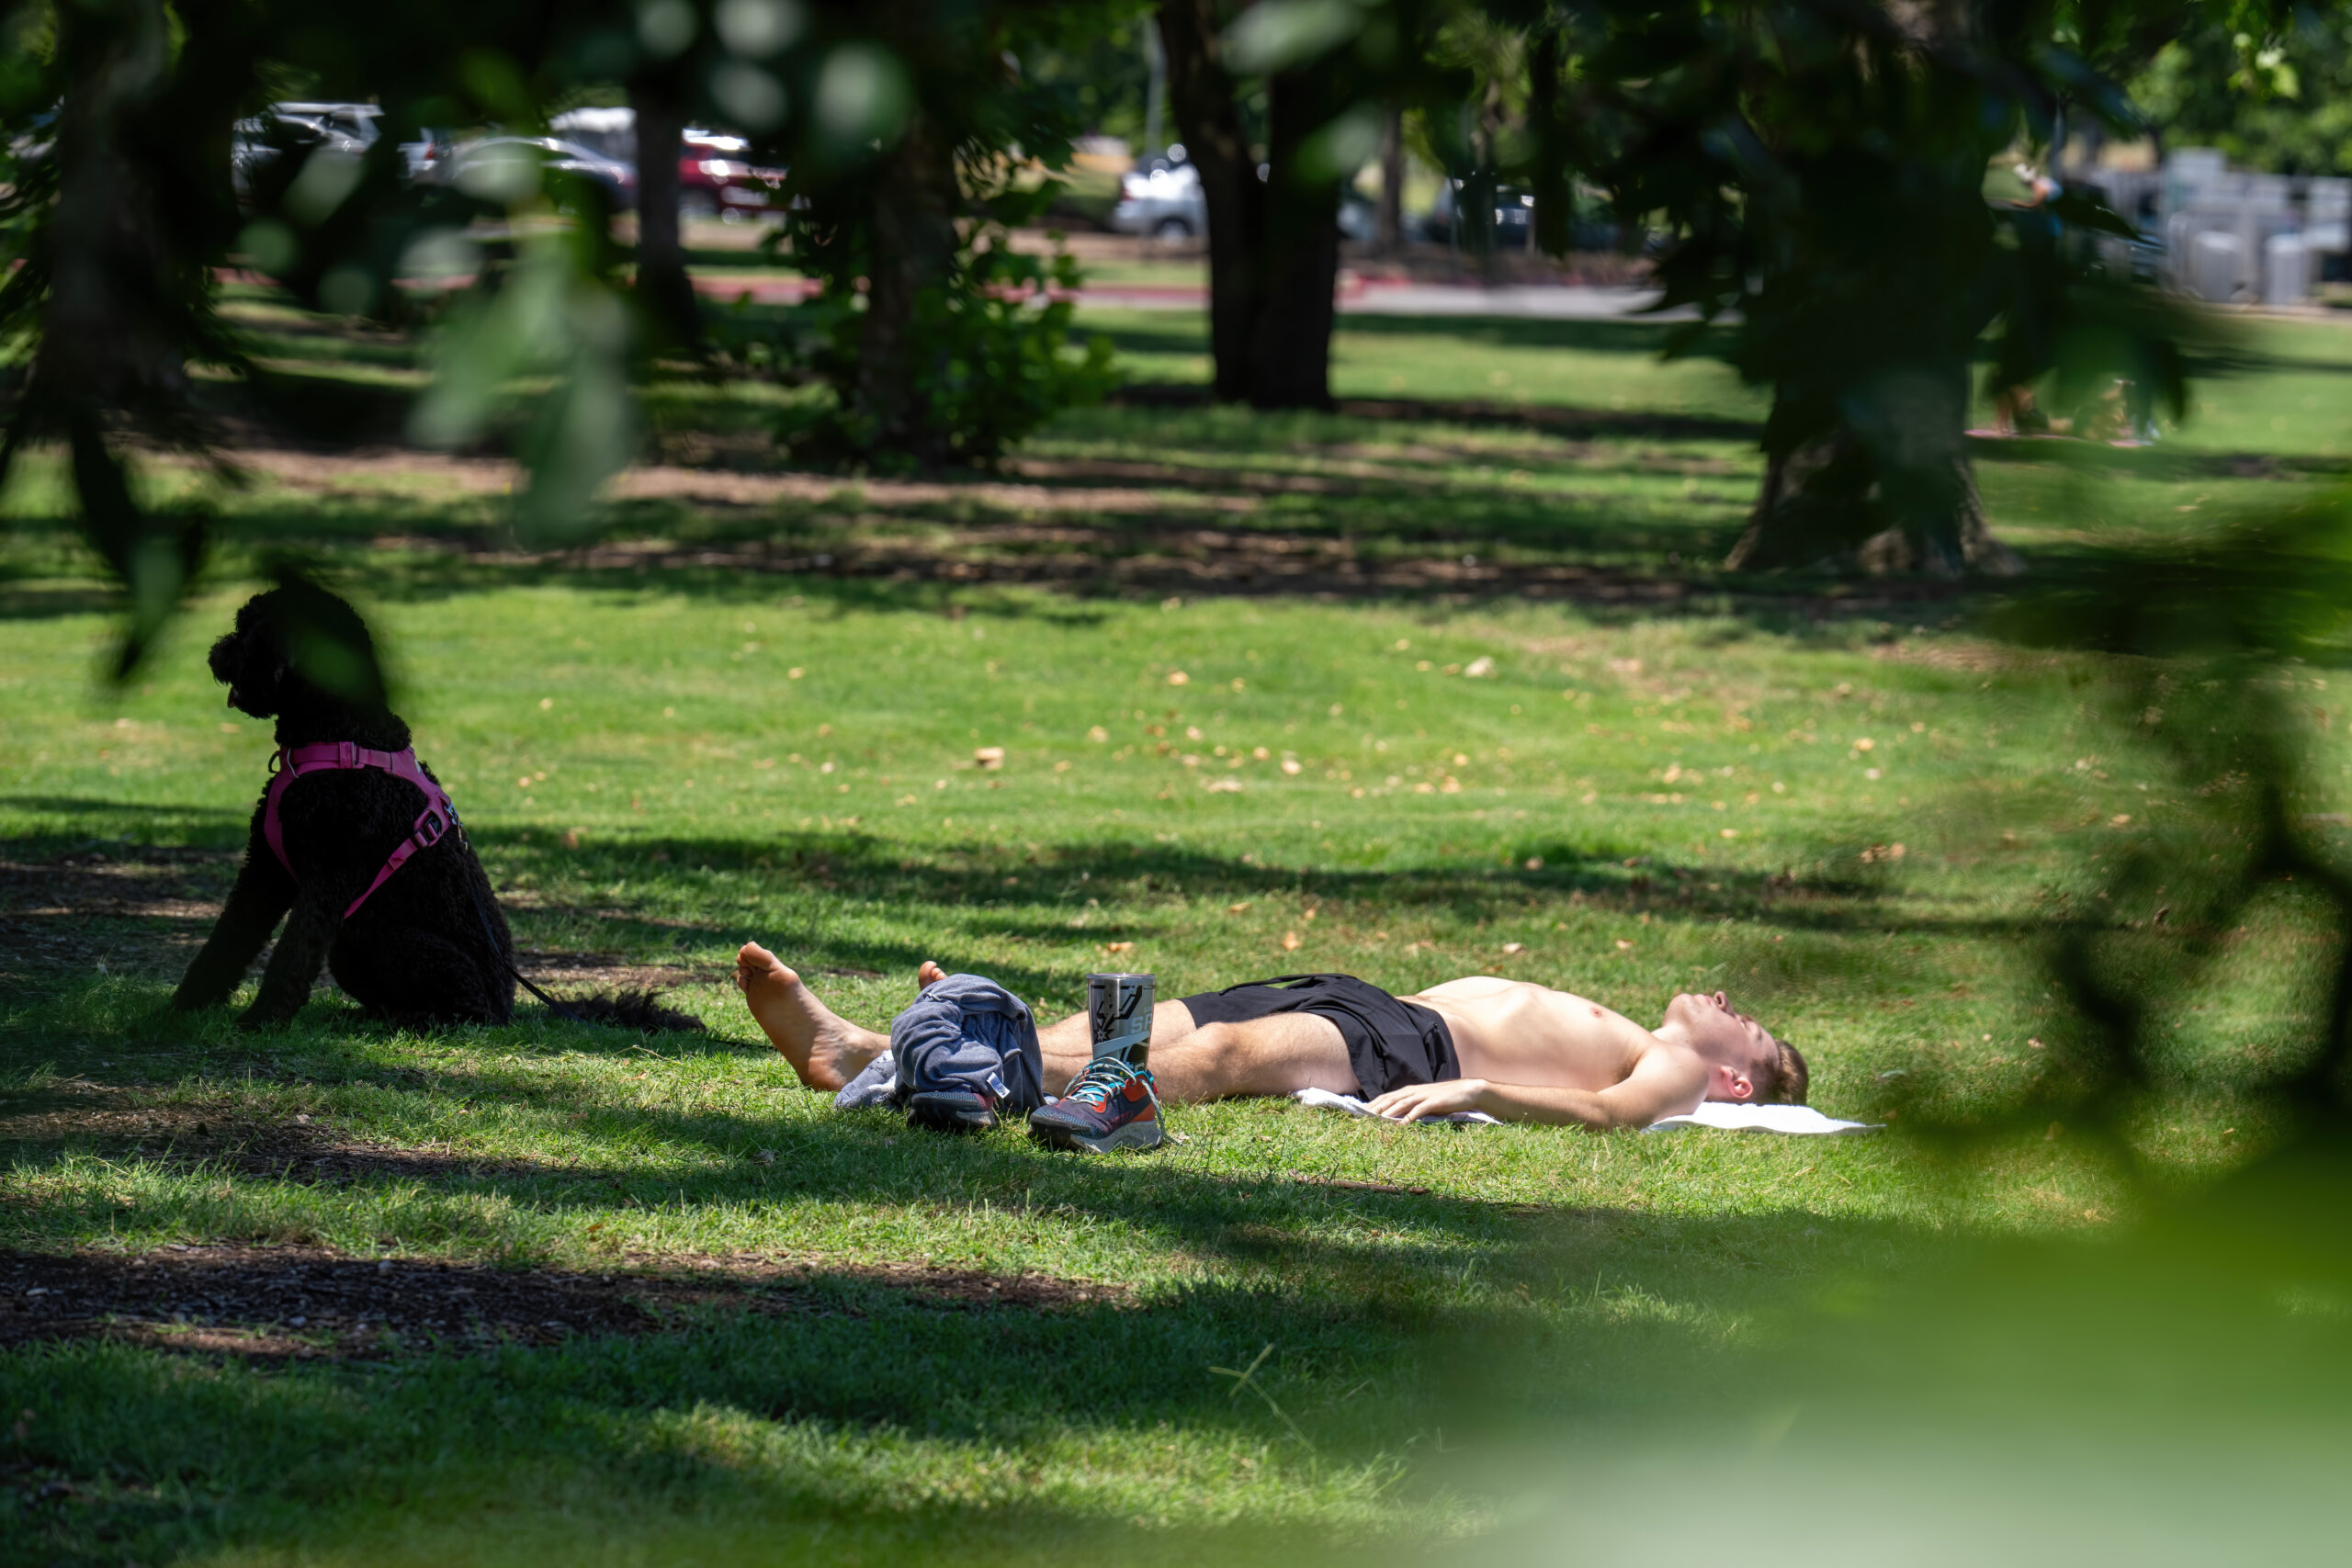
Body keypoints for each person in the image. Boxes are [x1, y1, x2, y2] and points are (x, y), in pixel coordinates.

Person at [734, 944, 1807, 1145]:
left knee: (1237, 1050)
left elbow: (1615, 1116)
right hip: (1371, 999)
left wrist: (1478, 1088)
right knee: (1147, 1021)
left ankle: (991, 1064)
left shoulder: (1672, 1075)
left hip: (1408, 1043)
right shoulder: (1649, 1032)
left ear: (1733, 1077)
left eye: (1743, 1023)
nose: (1721, 998)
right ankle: (866, 1049)